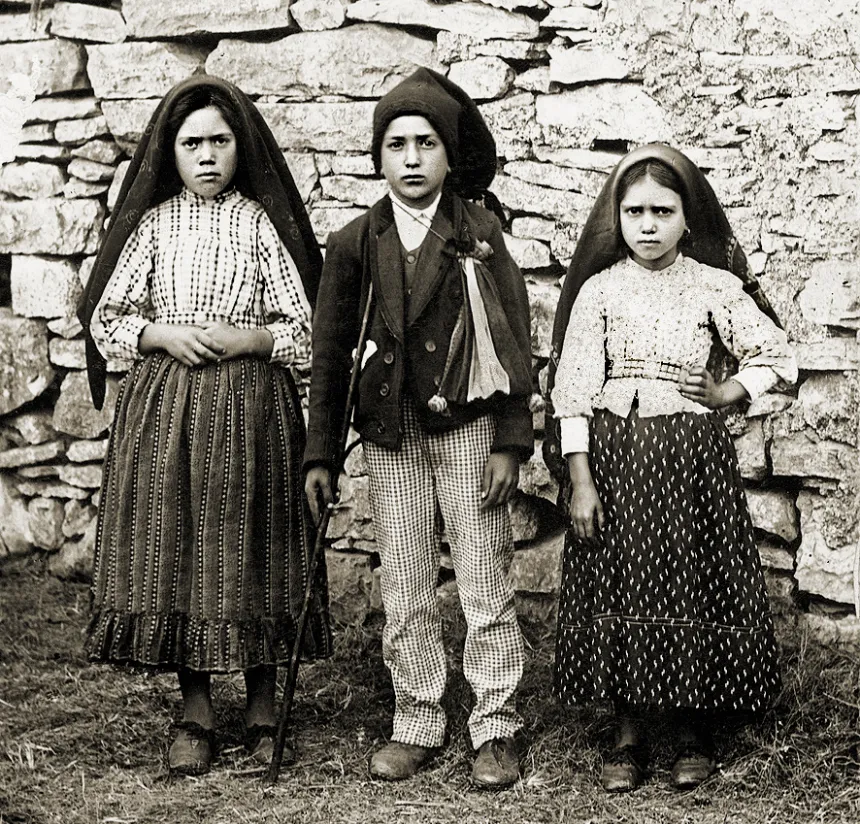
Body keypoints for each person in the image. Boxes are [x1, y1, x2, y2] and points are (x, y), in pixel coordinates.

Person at [78, 76, 332, 776]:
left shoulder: (258, 223)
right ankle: (194, 709)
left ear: (239, 147)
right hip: (167, 408)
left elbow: (304, 325)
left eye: (220, 141)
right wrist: (161, 334)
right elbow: (107, 318)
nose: (208, 156)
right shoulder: (155, 225)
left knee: (252, 545)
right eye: (192, 144)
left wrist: (250, 340)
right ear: (172, 152)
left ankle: (261, 704)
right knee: (179, 548)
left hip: (251, 407)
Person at [303, 68, 535, 788]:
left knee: (482, 573)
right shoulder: (355, 242)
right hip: (390, 433)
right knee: (405, 579)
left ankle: (495, 723)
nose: (411, 159)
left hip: (466, 426)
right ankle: (417, 716)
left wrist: (510, 440)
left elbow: (514, 339)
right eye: (397, 144)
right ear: (378, 155)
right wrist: (320, 453)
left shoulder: (478, 232)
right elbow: (330, 352)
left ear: (448, 155)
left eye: (426, 144)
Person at [546, 144, 797, 792]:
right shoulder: (600, 291)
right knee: (624, 579)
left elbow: (777, 354)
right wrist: (581, 482)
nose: (648, 225)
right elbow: (573, 392)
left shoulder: (713, 285)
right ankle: (628, 730)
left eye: (663, 211)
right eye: (635, 212)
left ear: (688, 219)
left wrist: (728, 390)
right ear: (617, 218)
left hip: (692, 463)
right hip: (616, 461)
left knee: (690, 577)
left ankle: (691, 727)